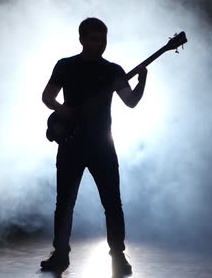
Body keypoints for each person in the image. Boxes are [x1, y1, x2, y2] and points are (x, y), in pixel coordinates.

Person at [40, 17, 147, 274]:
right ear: (82, 39)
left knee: (112, 202)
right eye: (94, 39)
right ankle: (61, 255)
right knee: (64, 203)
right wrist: (63, 110)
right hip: (71, 144)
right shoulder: (65, 66)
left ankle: (118, 256)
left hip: (102, 145)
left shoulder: (113, 70)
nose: (100, 44)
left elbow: (130, 101)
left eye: (103, 39)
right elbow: (47, 96)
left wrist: (142, 80)